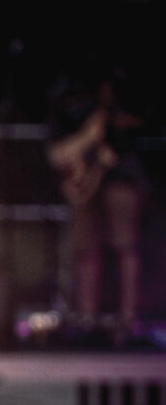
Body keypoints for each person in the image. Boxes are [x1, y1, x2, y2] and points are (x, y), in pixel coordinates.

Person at [46, 62, 149, 346]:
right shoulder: (69, 90)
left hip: (121, 171)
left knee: (125, 244)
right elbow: (57, 145)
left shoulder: (123, 82)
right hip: (86, 177)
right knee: (84, 248)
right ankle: (87, 319)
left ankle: (128, 320)